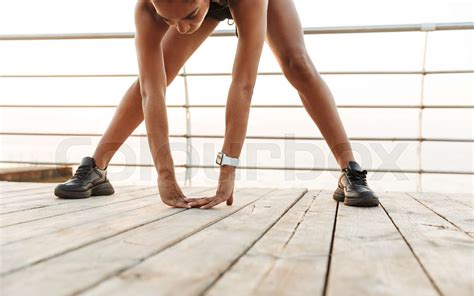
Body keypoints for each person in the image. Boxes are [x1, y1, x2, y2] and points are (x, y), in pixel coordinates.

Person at [54, 0, 380, 208]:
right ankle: (96, 168)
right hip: (188, 4)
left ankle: (350, 171)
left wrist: (229, 170)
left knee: (297, 64)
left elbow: (243, 84)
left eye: (189, 15)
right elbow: (151, 94)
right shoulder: (148, 10)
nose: (181, 28)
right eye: (170, 22)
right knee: (154, 77)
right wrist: (164, 175)